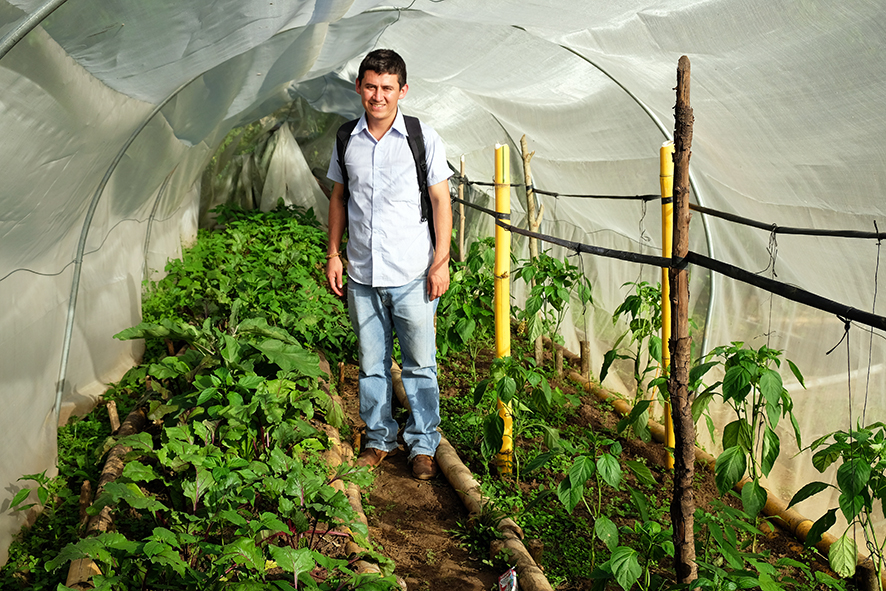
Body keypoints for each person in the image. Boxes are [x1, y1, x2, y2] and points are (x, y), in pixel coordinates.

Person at [325, 49, 452, 480]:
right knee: (371, 364)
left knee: (419, 364)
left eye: (387, 88)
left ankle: (422, 445)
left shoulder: (422, 137)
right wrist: (334, 254)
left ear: (402, 90)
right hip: (362, 274)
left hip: (413, 273)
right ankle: (378, 438)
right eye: (370, 86)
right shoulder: (347, 139)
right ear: (359, 87)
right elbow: (339, 198)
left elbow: (441, 201)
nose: (377, 96)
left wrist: (441, 262)